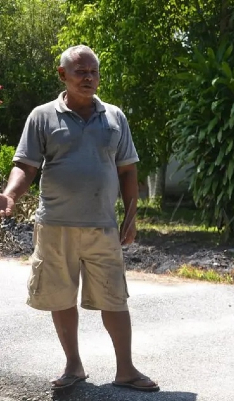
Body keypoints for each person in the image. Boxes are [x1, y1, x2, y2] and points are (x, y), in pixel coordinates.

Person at [0, 45, 159, 392]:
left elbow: (128, 170)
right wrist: (10, 194)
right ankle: (73, 366)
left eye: (93, 72)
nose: (88, 78)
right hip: (55, 226)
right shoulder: (42, 116)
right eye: (80, 71)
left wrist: (130, 217)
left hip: (103, 226)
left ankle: (126, 369)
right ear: (63, 75)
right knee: (60, 296)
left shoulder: (115, 117)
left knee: (114, 297)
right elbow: (26, 165)